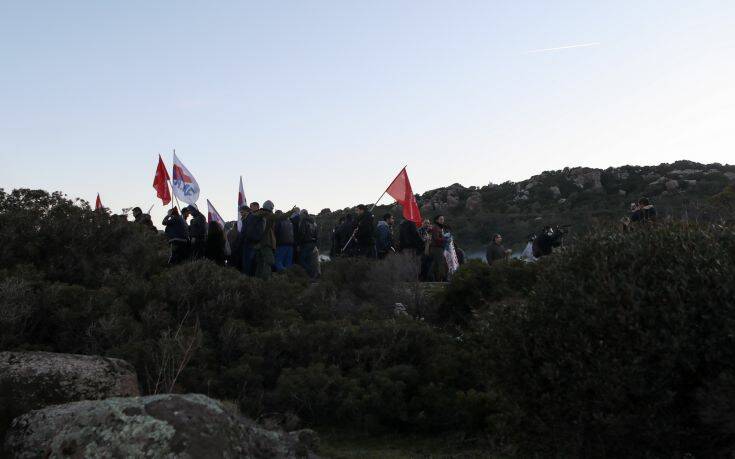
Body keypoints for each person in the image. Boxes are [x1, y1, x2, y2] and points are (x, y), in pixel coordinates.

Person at [251, 201, 292, 280]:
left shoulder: (258, 214)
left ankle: (257, 281)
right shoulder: (266, 214)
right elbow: (279, 217)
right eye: (272, 208)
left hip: (258, 243)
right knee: (270, 261)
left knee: (260, 263)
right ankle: (266, 281)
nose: (272, 209)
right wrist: (290, 212)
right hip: (265, 242)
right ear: (269, 207)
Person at [296, 209, 320, 279]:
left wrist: (298, 244)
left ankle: (310, 272)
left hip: (306, 243)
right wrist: (316, 244)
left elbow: (302, 233)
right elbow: (316, 234)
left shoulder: (304, 221)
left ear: (304, 214)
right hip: (313, 244)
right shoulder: (314, 222)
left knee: (301, 259)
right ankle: (311, 276)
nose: (300, 216)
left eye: (301, 214)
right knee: (309, 260)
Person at [430, 215, 448, 281]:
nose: (442, 221)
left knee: (435, 264)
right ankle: (443, 279)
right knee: (441, 263)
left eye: (443, 219)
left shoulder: (439, 227)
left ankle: (429, 276)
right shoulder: (436, 227)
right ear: (437, 220)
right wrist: (445, 238)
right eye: (441, 219)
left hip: (438, 247)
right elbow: (436, 238)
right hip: (436, 248)